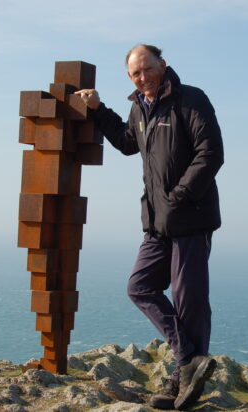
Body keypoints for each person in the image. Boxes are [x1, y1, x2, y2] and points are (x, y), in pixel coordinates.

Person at [76, 44, 224, 410]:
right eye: (136, 73)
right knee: (139, 287)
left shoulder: (191, 99)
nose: (143, 77)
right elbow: (128, 144)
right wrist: (98, 111)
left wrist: (179, 197)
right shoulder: (139, 107)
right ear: (130, 77)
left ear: (163, 64)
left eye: (148, 68)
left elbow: (211, 152)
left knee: (189, 301)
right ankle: (190, 359)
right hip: (156, 222)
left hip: (190, 217)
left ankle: (182, 384)